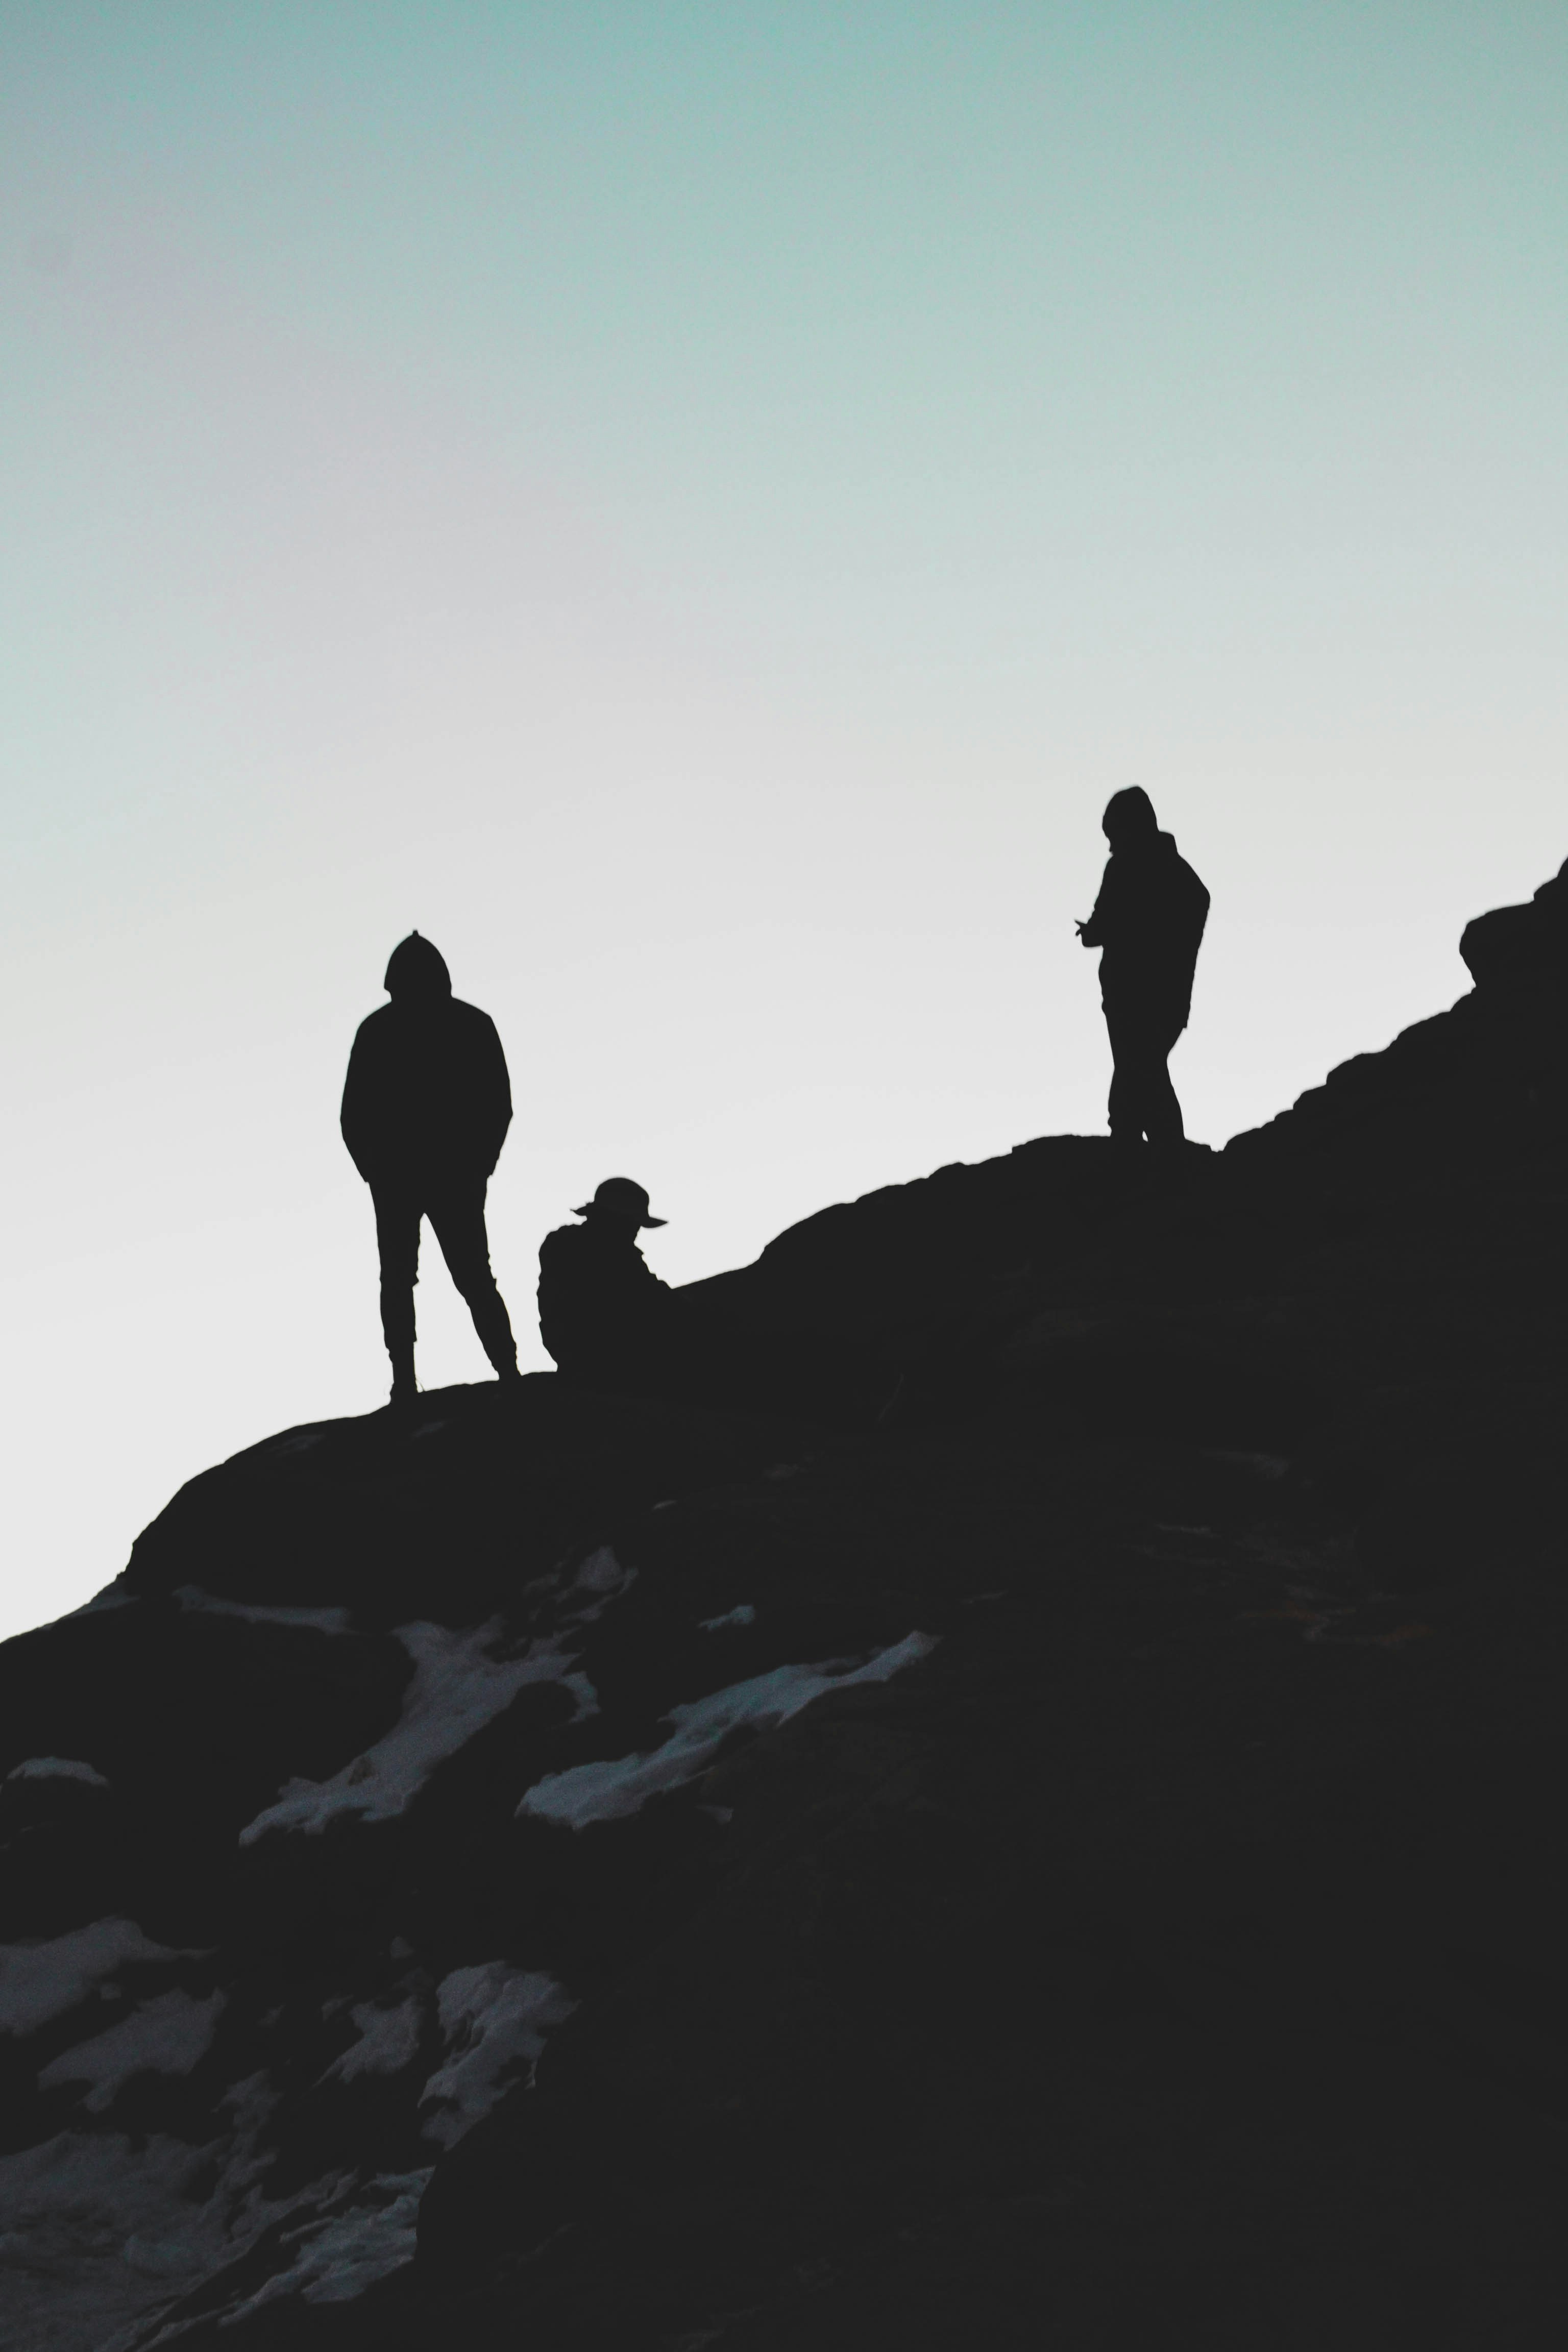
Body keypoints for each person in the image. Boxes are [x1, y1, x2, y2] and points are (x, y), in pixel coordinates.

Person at [341, 932, 521, 1405]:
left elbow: (497, 1105)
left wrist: (479, 1166)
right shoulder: (384, 1032)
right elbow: (354, 1116)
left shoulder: (466, 1026)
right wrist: (377, 1172)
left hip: (446, 1176)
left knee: (464, 1278)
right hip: (408, 1178)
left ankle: (506, 1370)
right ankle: (412, 1380)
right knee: (416, 1279)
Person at [1076, 788, 1209, 1149]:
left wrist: (1099, 931)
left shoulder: (1124, 868)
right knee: (1142, 1077)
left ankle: (1159, 1160)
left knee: (1140, 1078)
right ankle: (1152, 1156)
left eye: (1113, 836)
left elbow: (1104, 927)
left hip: (1135, 998)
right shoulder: (1181, 875)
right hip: (1166, 1000)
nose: (1110, 847)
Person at [537, 1178, 673, 1387]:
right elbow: (654, 1297)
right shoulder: (615, 1254)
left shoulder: (561, 1242)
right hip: (605, 1359)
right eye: (634, 1222)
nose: (637, 1230)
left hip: (569, 1351)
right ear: (617, 1219)